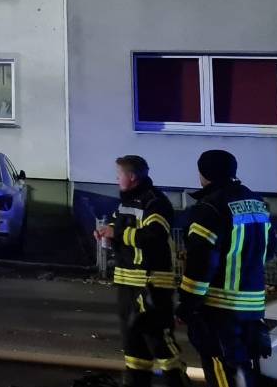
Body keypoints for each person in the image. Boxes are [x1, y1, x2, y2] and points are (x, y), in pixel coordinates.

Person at [177, 150, 274, 387]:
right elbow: (269, 251)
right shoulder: (257, 203)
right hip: (253, 306)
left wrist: (187, 306)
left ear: (203, 173)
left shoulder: (208, 209)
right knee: (244, 371)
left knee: (223, 370)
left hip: (219, 308)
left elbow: (201, 263)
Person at [95, 156, 188, 387]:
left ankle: (177, 382)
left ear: (132, 177)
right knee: (134, 348)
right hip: (128, 285)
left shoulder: (155, 202)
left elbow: (154, 236)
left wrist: (115, 234)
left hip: (151, 285)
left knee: (159, 343)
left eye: (120, 175)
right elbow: (118, 228)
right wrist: (106, 233)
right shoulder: (126, 202)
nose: (116, 179)